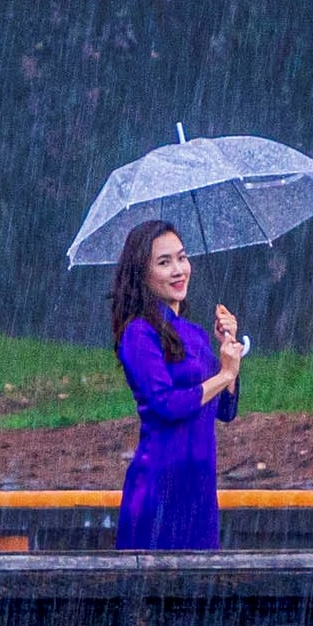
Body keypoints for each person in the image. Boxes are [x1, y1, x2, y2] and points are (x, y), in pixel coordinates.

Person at [109, 219, 243, 551]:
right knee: (155, 582)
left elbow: (225, 410)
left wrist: (228, 348)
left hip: (199, 488)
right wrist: (224, 376)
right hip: (160, 486)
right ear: (142, 273)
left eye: (182, 258)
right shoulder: (138, 333)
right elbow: (166, 404)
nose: (178, 270)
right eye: (164, 262)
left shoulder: (196, 334)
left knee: (200, 582)